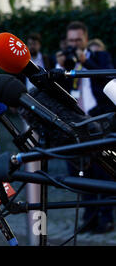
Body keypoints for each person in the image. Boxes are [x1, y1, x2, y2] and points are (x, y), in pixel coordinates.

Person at [57, 21, 114, 234]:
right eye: (71, 41)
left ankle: (107, 218)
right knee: (82, 176)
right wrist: (60, 68)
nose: (74, 44)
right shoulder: (65, 62)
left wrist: (86, 61)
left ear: (86, 39)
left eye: (78, 40)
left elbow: (108, 77)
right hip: (75, 126)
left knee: (105, 173)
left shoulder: (98, 57)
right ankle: (89, 218)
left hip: (99, 123)